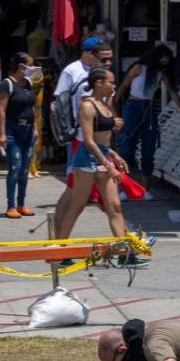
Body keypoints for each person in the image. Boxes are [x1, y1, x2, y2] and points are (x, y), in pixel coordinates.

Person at [56, 67, 127, 242]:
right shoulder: (87, 106)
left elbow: (102, 139)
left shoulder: (105, 104)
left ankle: (126, 250)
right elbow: (88, 141)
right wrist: (110, 165)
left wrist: (114, 155)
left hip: (102, 156)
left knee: (115, 206)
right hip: (86, 160)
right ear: (99, 83)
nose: (113, 86)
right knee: (77, 206)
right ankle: (60, 250)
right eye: (110, 82)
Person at [52, 38, 116, 230]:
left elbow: (109, 103)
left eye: (110, 60)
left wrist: (112, 120)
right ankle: (58, 242)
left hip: (102, 142)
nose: (108, 63)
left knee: (112, 204)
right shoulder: (72, 70)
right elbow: (59, 102)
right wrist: (67, 128)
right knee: (73, 196)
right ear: (90, 55)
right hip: (81, 139)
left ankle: (126, 242)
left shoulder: (106, 77)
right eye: (104, 59)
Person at [114, 43, 180, 196]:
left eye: (167, 60)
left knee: (149, 148)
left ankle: (145, 189)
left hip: (148, 109)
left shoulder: (161, 73)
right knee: (127, 146)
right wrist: (114, 111)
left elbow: (173, 93)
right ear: (156, 57)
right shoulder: (139, 68)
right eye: (163, 59)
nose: (164, 62)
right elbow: (123, 87)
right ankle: (124, 187)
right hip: (133, 106)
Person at [0, 52, 38, 219]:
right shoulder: (7, 84)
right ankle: (11, 205)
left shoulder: (28, 83)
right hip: (13, 130)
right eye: (31, 64)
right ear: (21, 66)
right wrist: (2, 133)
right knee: (15, 167)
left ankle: (21, 204)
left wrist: (35, 128)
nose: (34, 68)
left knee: (24, 169)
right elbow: (2, 109)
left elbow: (32, 108)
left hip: (28, 131)